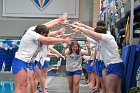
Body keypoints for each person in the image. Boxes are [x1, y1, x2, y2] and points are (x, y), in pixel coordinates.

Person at [12, 13, 73, 93]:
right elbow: (48, 39)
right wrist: (63, 40)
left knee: (25, 83)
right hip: (20, 60)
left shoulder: (34, 30)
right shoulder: (31, 33)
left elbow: (47, 26)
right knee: (20, 86)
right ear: (42, 33)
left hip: (27, 62)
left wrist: (59, 21)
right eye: (45, 35)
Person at [70, 20, 124, 93]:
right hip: (114, 64)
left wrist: (78, 27)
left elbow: (91, 32)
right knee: (117, 90)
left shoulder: (107, 37)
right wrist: (80, 26)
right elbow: (92, 31)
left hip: (114, 65)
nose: (93, 37)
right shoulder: (106, 35)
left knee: (110, 90)